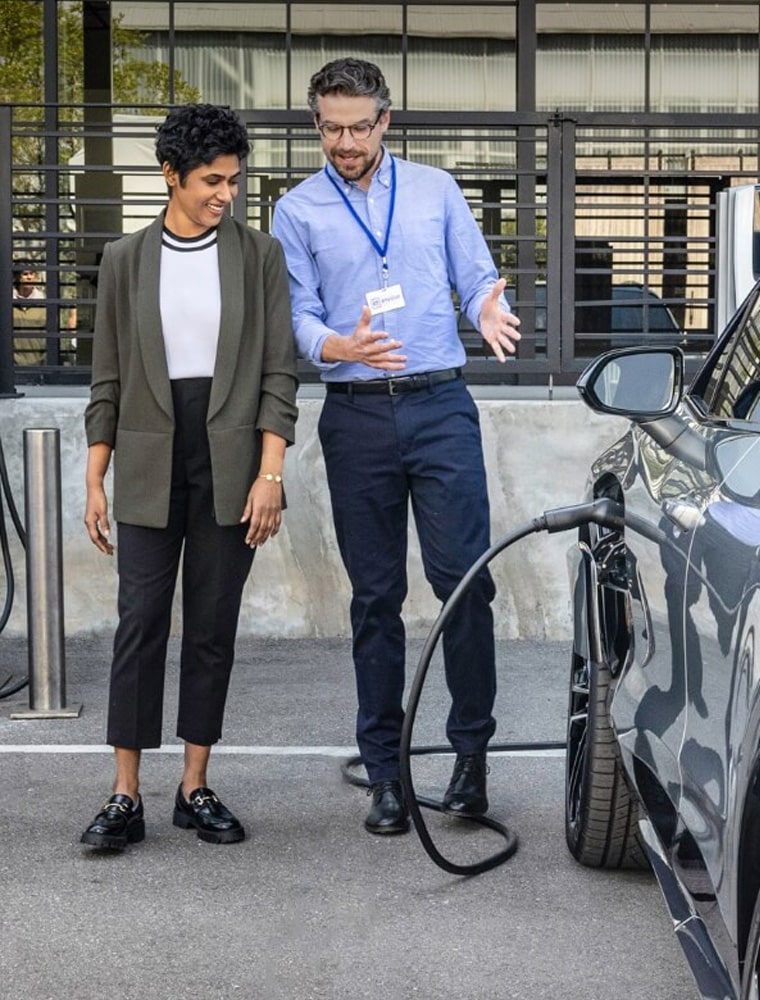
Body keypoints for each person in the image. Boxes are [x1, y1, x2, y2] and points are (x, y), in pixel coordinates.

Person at [272, 58, 521, 835]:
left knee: (465, 584)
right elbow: (298, 316)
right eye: (330, 127)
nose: (343, 142)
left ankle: (471, 760)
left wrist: (485, 309)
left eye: (357, 126)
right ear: (317, 123)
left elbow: (478, 275)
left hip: (440, 405)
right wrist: (337, 344)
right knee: (374, 598)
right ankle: (385, 772)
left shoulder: (436, 190)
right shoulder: (296, 210)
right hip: (356, 416)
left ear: (386, 120)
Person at [80, 104, 299, 851]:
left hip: (232, 460)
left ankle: (194, 785)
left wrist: (271, 473)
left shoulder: (259, 256)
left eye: (235, 180)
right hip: (146, 458)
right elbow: (105, 377)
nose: (226, 193)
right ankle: (124, 794)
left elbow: (279, 373)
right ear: (170, 174)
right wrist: (93, 478)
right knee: (140, 621)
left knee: (211, 626)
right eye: (212, 179)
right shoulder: (124, 260)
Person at [12, 263, 47, 366]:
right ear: (18, 277)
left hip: (37, 365)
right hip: (12, 366)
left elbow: (48, 337)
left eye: (32, 274)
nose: (29, 277)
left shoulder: (43, 304)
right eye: (25, 274)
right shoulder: (7, 303)